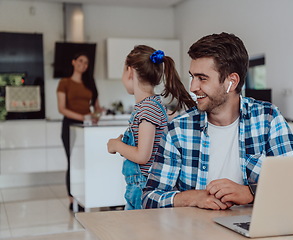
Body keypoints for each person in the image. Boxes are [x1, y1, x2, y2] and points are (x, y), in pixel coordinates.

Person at [142, 32, 293, 210]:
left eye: (202, 78)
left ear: (231, 82)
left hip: (253, 229)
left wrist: (250, 193)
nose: (193, 87)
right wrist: (192, 198)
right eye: (192, 77)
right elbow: (150, 198)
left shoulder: (268, 118)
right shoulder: (178, 129)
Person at [107, 45, 196, 210]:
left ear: (130, 71)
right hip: (142, 183)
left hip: (143, 185)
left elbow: (142, 156)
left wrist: (116, 145)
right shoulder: (151, 106)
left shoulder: (147, 109)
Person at [57, 53, 102, 211]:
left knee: (86, 162)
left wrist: (96, 116)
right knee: (73, 162)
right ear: (74, 62)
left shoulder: (90, 83)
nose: (83, 64)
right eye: (81, 61)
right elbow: (61, 108)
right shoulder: (64, 82)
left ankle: (86, 194)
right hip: (70, 126)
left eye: (86, 62)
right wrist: (83, 117)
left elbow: (97, 107)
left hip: (87, 127)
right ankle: (72, 198)